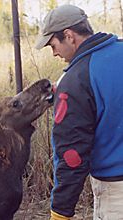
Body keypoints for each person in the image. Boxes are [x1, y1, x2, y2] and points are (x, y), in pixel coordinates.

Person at [35, 4, 123, 220]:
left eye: (52, 44)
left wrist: (60, 212)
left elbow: (71, 155)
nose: (54, 52)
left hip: (116, 193)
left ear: (69, 35)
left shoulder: (76, 80)